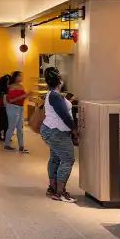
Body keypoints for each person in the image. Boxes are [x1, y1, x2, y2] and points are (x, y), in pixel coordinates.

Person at [40, 67, 77, 203]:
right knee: (67, 159)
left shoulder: (52, 94)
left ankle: (53, 187)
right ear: (60, 80)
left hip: (51, 130)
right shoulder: (55, 96)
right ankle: (60, 192)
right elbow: (64, 115)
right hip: (57, 132)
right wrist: (74, 129)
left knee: (55, 158)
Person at [3, 70, 30, 153]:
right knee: (12, 126)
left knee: (20, 128)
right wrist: (23, 96)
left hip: (20, 108)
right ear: (15, 77)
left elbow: (23, 97)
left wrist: (27, 96)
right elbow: (11, 100)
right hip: (13, 108)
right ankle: (7, 144)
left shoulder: (21, 86)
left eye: (21, 76)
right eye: (19, 76)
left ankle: (21, 146)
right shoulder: (11, 86)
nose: (21, 77)